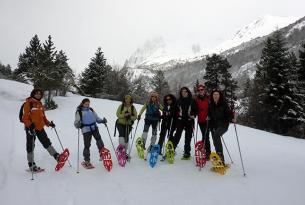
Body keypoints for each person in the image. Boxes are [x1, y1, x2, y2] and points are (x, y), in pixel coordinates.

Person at [21, 88, 61, 171]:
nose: (38, 95)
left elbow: (43, 117)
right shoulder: (28, 104)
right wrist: (30, 125)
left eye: (40, 94)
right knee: (30, 146)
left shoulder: (40, 104)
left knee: (46, 142)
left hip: (40, 128)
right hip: (30, 129)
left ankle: (56, 156)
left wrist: (49, 124)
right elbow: (25, 118)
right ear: (33, 94)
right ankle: (31, 164)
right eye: (37, 94)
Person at [74, 98, 107, 168]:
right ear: (82, 103)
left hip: (94, 128)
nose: (87, 105)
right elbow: (76, 122)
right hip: (86, 130)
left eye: (88, 104)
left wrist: (102, 121)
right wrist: (78, 124)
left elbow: (97, 118)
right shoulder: (79, 111)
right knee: (87, 145)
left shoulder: (91, 110)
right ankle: (87, 161)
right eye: (86, 104)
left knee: (99, 139)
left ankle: (102, 153)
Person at [169, 87, 198, 159]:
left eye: (185, 91)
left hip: (189, 120)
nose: (184, 93)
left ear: (188, 92)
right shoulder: (178, 101)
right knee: (177, 135)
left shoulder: (192, 101)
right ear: (181, 93)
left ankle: (187, 152)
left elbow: (196, 110)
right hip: (180, 120)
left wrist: (194, 115)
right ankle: (172, 150)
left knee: (188, 137)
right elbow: (175, 110)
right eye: (182, 91)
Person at [208, 89, 235, 164]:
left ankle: (220, 157)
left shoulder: (224, 104)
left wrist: (232, 118)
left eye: (217, 94)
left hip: (223, 125)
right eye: (214, 94)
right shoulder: (211, 105)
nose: (215, 96)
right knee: (215, 139)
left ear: (219, 96)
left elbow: (229, 113)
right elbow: (209, 114)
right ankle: (218, 155)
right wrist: (208, 117)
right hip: (214, 126)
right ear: (212, 96)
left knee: (216, 135)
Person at [116, 95, 137, 159]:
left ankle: (124, 152)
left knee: (126, 137)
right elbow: (117, 114)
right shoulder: (121, 106)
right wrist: (124, 115)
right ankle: (121, 150)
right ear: (124, 99)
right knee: (122, 135)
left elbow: (135, 116)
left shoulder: (133, 107)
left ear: (131, 100)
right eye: (126, 99)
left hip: (128, 124)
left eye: (129, 99)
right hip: (120, 123)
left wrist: (130, 116)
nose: (127, 100)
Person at [194, 84, 211, 159]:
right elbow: (194, 108)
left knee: (206, 136)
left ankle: (208, 152)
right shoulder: (196, 99)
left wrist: (209, 115)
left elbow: (212, 108)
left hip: (208, 120)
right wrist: (194, 113)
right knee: (205, 135)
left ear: (204, 90)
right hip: (201, 120)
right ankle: (203, 147)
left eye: (202, 89)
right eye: (199, 90)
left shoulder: (208, 98)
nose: (200, 91)